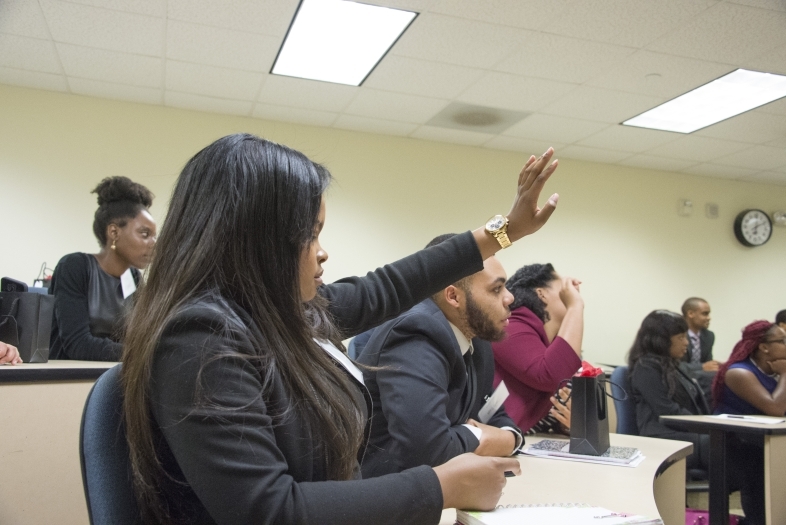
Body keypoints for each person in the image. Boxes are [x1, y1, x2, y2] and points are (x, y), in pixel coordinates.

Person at [121, 134, 560, 525]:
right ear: (257, 243)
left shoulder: (283, 311)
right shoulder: (201, 339)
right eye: (310, 235)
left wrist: (503, 233)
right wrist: (439, 487)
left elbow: (388, 286)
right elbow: (269, 510)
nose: (323, 252)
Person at [356, 234, 523, 478]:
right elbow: (429, 451)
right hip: (388, 496)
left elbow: (492, 413)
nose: (510, 297)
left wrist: (509, 438)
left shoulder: (475, 339)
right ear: (453, 296)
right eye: (496, 289)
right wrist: (480, 436)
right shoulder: (415, 335)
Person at [49, 176, 156, 361]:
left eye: (154, 236)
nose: (153, 244)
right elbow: (79, 345)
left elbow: (143, 338)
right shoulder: (75, 267)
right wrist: (144, 355)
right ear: (114, 232)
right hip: (65, 380)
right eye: (145, 234)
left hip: (111, 374)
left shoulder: (134, 278)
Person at [491, 263, 583, 434]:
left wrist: (571, 424)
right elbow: (550, 375)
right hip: (499, 439)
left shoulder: (553, 345)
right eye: (562, 286)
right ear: (541, 293)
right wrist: (575, 306)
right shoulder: (510, 327)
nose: (571, 292)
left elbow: (562, 412)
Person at [711, 320, 786, 525]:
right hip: (737, 446)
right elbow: (776, 409)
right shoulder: (739, 373)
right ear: (764, 347)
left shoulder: (771, 374)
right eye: (783, 341)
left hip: (765, 443)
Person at [627, 310, 709, 471]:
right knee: (719, 446)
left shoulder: (674, 365)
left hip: (680, 432)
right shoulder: (646, 368)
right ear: (661, 340)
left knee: (732, 445)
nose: (686, 343)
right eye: (680, 338)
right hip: (661, 435)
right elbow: (667, 411)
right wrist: (704, 426)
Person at [681, 297, 720, 372]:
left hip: (701, 377)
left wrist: (715, 365)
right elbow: (674, 365)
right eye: (705, 313)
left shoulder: (709, 336)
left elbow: (708, 363)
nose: (709, 318)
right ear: (690, 314)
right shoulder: (676, 335)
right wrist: (701, 367)